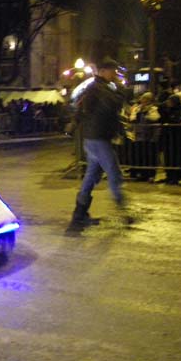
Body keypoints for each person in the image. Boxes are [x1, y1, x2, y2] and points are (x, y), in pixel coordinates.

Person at [67, 57, 129, 231]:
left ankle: (79, 215)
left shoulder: (97, 88)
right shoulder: (100, 88)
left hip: (94, 137)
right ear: (102, 71)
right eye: (112, 71)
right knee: (114, 172)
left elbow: (82, 109)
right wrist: (120, 88)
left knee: (91, 177)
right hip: (98, 138)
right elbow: (113, 105)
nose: (115, 74)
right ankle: (123, 210)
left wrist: (74, 124)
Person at [127, 92, 161, 182]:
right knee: (140, 156)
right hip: (139, 136)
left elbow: (155, 118)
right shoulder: (137, 109)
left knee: (149, 156)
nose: (143, 101)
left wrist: (146, 113)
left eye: (146, 99)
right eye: (143, 99)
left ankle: (150, 174)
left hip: (149, 136)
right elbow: (132, 118)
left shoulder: (153, 109)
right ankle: (141, 173)